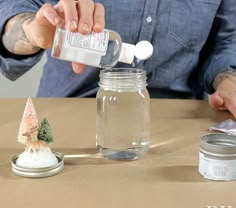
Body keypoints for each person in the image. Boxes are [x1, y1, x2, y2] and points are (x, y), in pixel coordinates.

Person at [0, 0, 236, 118]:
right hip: (70, 114)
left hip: (178, 119)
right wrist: (33, 30)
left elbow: (226, 40)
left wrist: (227, 80)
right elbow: (12, 9)